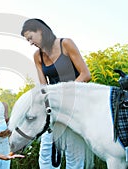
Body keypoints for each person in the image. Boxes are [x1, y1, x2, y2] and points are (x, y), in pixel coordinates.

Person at [21, 18, 91, 169]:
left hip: (74, 104)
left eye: (30, 38)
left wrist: (62, 94)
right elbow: (43, 87)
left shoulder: (65, 44)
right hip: (53, 108)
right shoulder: (37, 56)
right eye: (28, 40)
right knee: (46, 154)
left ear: (40, 30)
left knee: (73, 154)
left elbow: (85, 75)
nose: (30, 42)